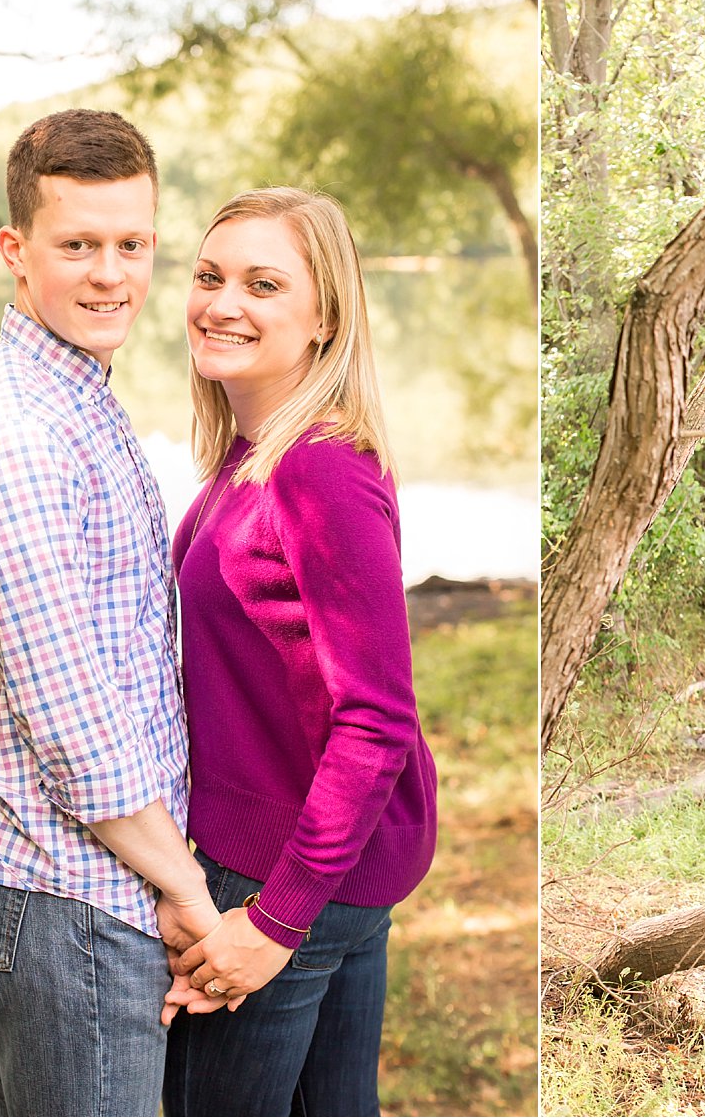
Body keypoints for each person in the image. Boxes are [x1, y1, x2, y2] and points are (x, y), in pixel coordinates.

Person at [0, 109, 223, 1115]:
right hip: (66, 895)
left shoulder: (72, 396)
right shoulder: (14, 438)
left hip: (72, 884)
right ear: (16, 249)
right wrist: (184, 888)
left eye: (131, 244)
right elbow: (79, 733)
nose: (110, 274)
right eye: (77, 245)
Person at [161, 187, 438, 1117]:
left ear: (322, 318)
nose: (222, 302)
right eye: (210, 277)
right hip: (323, 871)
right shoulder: (251, 460)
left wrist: (274, 919)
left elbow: (378, 719)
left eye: (262, 283)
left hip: (289, 876)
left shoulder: (319, 467)